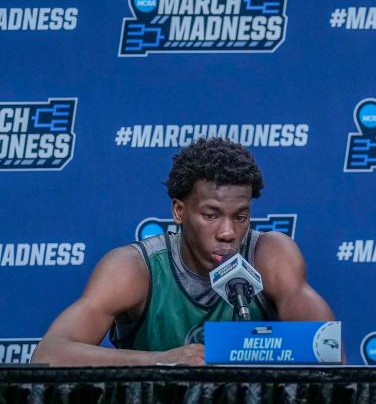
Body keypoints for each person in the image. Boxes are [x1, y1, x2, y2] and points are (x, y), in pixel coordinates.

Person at [32, 137, 336, 366]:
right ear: (179, 211)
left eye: (240, 216)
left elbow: (329, 352)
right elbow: (49, 354)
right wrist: (160, 361)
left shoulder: (270, 255)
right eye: (211, 215)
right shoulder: (135, 268)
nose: (228, 232)